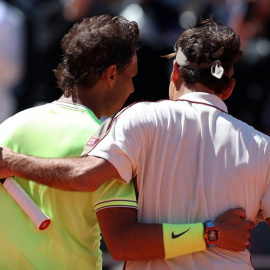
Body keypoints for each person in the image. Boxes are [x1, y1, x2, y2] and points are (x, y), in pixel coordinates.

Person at [0, 16, 255, 269]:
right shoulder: (108, 138)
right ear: (111, 75)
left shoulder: (8, 127)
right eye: (131, 76)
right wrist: (213, 233)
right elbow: (124, 242)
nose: (133, 88)